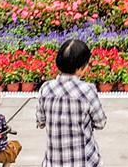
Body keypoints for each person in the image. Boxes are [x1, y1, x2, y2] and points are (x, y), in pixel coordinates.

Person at [36, 39, 106, 167]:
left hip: (53, 162)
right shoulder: (87, 90)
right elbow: (100, 123)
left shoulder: (46, 88)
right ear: (81, 68)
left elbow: (40, 121)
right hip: (84, 161)